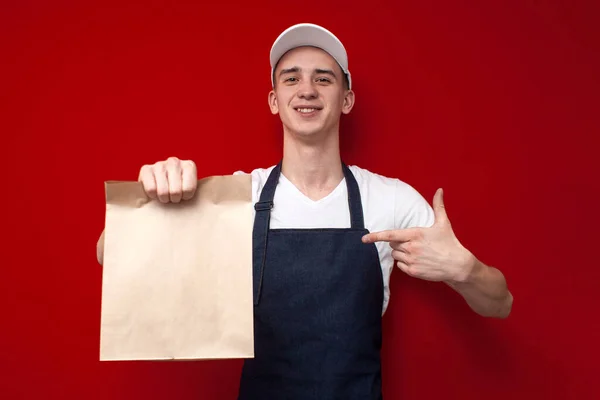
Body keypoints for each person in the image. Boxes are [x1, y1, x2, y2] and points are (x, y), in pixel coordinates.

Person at [96, 23, 513, 400]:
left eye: (324, 79)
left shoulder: (392, 200)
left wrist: (466, 270)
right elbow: (107, 254)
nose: (307, 89)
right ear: (275, 101)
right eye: (291, 78)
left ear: (346, 100)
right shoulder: (240, 195)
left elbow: (501, 303)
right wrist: (155, 198)